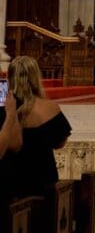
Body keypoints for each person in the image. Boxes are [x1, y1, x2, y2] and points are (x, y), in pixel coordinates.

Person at [0, 56, 72, 222]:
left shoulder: (6, 110)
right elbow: (60, 142)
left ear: (10, 77)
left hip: (13, 185)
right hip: (44, 180)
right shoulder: (49, 107)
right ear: (35, 77)